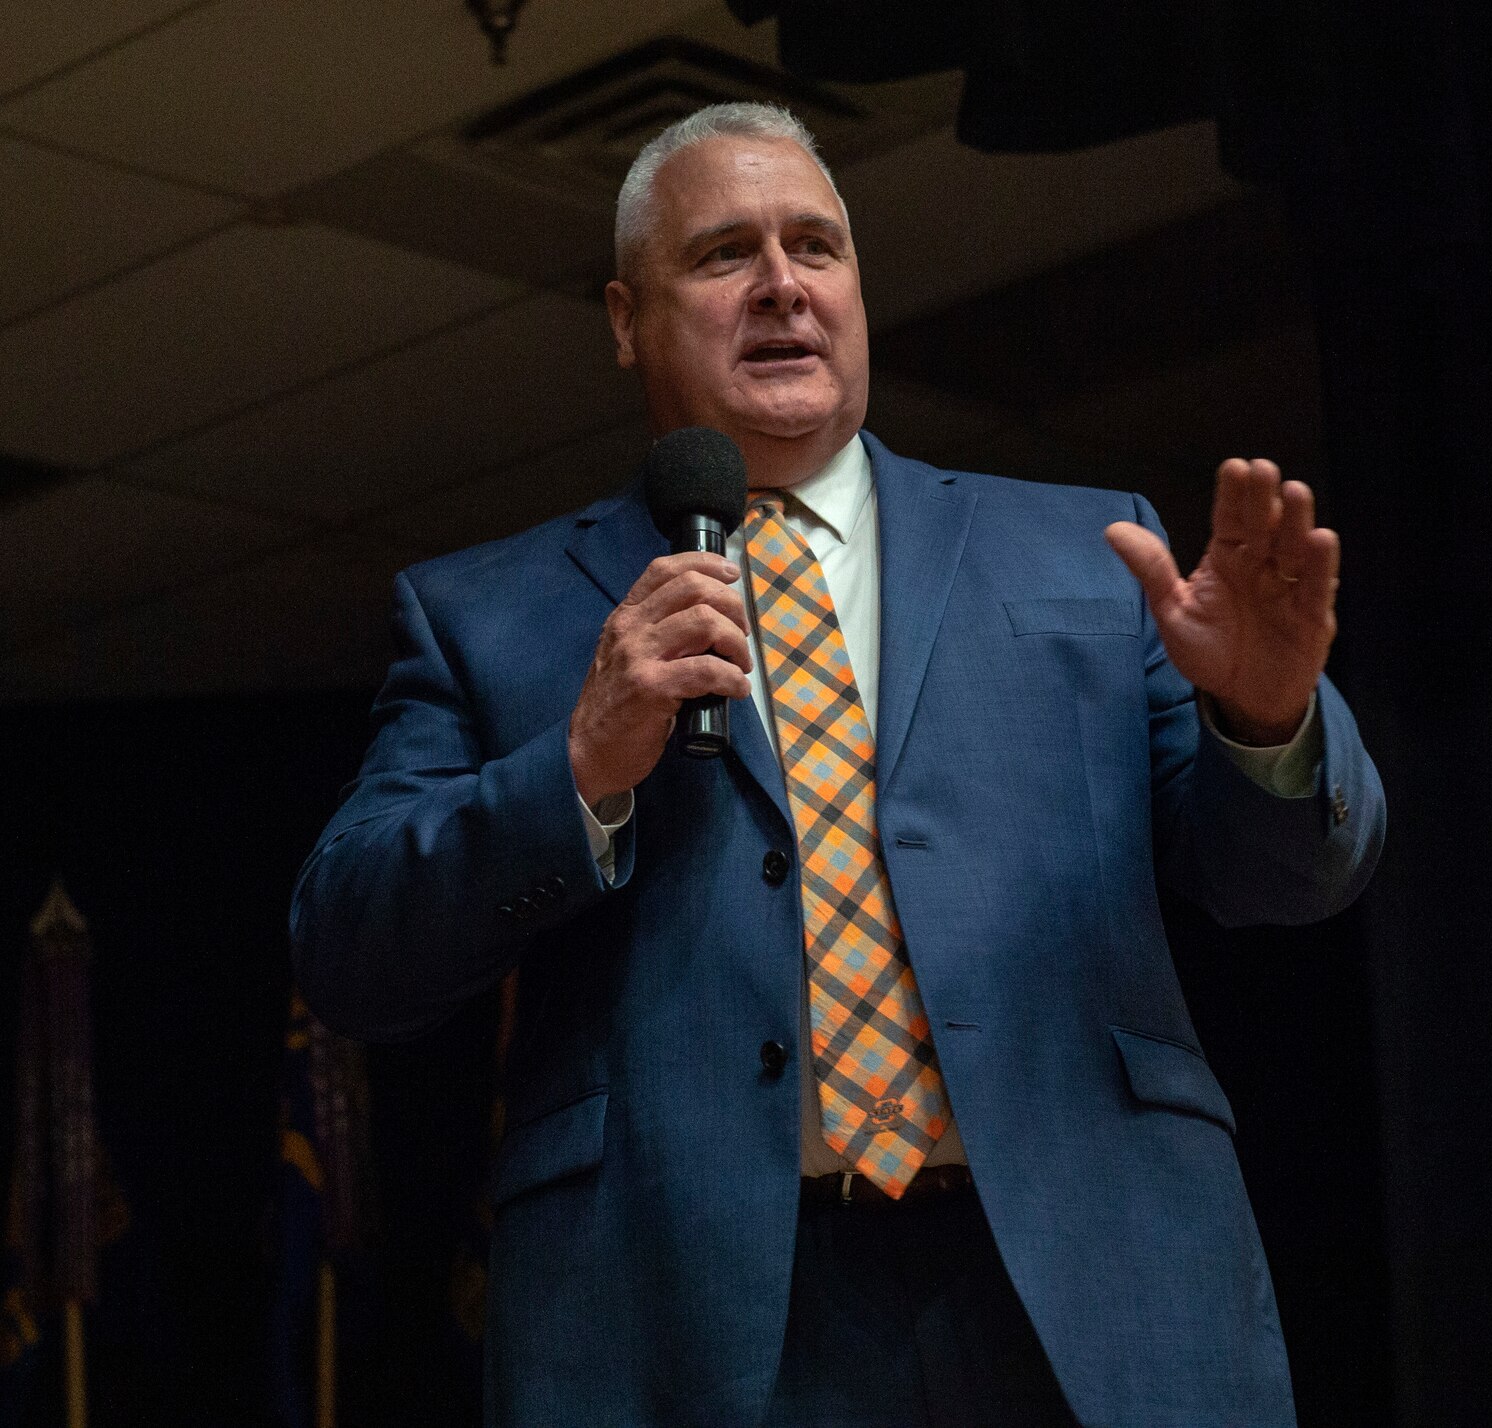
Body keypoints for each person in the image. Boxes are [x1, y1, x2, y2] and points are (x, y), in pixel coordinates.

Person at [291, 101, 1383, 1428]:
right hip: (685, 1323)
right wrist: (576, 770)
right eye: (723, 255)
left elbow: (1283, 883)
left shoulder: (1086, 555)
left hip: (1089, 1292)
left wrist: (1267, 726)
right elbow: (350, 949)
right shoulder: (486, 614)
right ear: (628, 319)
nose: (783, 286)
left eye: (818, 245)